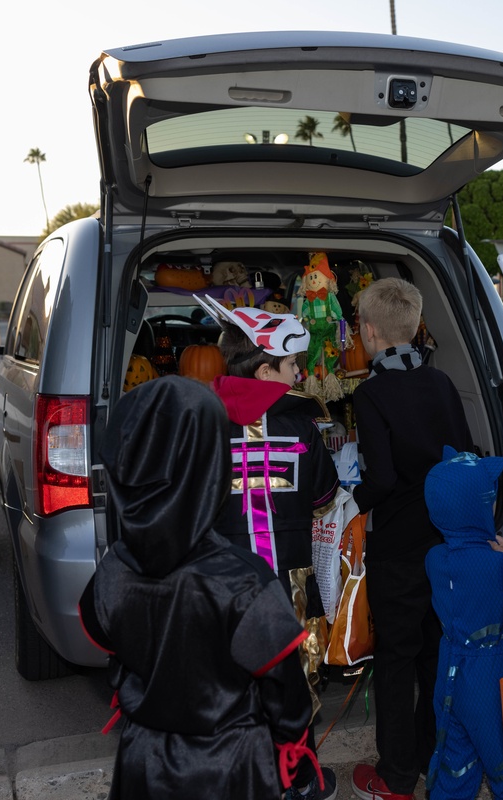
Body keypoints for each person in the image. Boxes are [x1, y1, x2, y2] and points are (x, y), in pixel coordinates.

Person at [77, 376, 322, 799]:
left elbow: (107, 644)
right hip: (230, 769)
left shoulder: (110, 572)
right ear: (211, 467)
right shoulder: (245, 583)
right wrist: (291, 761)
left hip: (144, 763)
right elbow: (288, 700)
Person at [196, 299, 340, 800]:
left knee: (231, 685)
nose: (300, 373)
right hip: (289, 587)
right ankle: (298, 778)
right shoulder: (303, 426)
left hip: (224, 589)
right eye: (292, 365)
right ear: (264, 370)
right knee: (295, 683)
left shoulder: (200, 424)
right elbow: (324, 499)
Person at [349, 277, 473, 800]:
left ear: (370, 332)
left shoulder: (371, 393)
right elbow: (461, 452)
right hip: (442, 540)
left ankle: (395, 775)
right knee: (432, 651)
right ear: (417, 325)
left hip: (396, 546)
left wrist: (349, 506)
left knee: (396, 659)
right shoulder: (441, 384)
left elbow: (377, 478)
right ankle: (431, 755)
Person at [423, 447, 503, 800]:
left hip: (450, 671)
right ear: (481, 505)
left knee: (456, 763)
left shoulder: (434, 558)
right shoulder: (498, 566)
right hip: (492, 679)